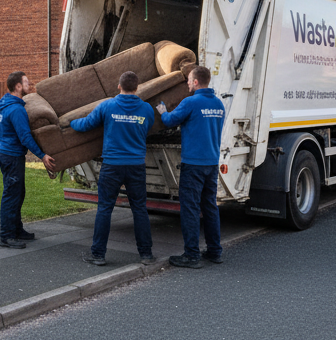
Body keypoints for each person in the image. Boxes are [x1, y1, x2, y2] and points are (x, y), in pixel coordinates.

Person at [70, 70, 155, 266]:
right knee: (140, 209)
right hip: (136, 166)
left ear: (119, 86)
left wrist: (69, 123)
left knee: (105, 209)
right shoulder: (146, 109)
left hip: (112, 165)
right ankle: (146, 254)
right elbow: (147, 128)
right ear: (137, 87)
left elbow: (85, 125)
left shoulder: (108, 106)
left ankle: (98, 255)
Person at [157, 65, 224, 268]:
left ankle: (192, 255)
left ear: (196, 82)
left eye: (188, 80)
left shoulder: (191, 102)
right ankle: (215, 251)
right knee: (210, 207)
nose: (186, 83)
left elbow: (170, 121)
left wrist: (162, 111)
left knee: (190, 209)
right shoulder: (219, 104)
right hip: (211, 164)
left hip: (193, 164)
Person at [0, 71, 56, 249]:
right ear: (18, 86)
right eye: (26, 82)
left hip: (7, 154)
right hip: (12, 156)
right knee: (11, 195)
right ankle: (6, 236)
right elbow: (25, 138)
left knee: (18, 193)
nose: (29, 85)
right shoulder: (16, 109)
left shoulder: (6, 104)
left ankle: (16, 230)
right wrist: (43, 156)